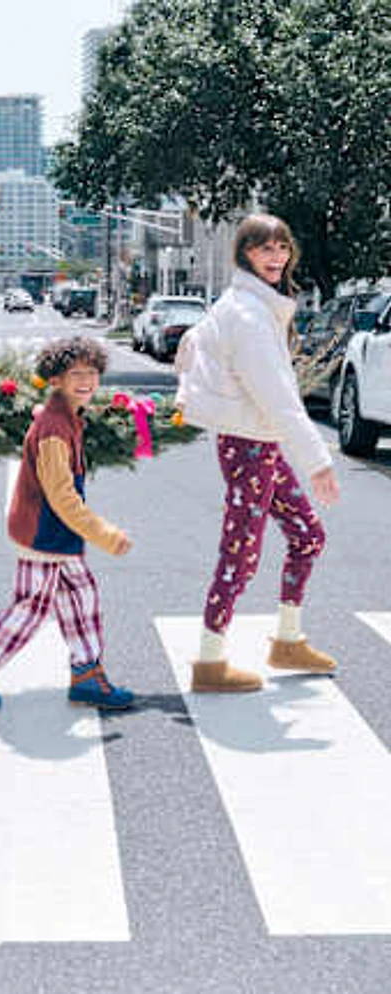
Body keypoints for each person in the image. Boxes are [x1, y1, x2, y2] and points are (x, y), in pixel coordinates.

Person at [175, 213, 340, 693]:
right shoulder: (247, 314)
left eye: (282, 247)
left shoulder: (252, 306)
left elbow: (194, 347)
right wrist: (319, 463)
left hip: (258, 443)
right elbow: (278, 398)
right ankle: (210, 662)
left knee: (307, 534)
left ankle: (287, 640)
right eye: (264, 248)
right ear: (245, 253)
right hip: (249, 446)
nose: (276, 256)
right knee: (239, 555)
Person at [0, 336, 136, 711]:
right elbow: (62, 496)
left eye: (92, 373)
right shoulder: (53, 428)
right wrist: (106, 535)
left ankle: (87, 672)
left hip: (55, 532)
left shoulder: (67, 418)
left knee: (82, 595)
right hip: (43, 532)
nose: (86, 381)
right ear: (56, 380)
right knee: (31, 607)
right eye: (75, 374)